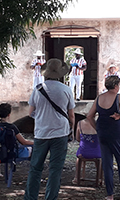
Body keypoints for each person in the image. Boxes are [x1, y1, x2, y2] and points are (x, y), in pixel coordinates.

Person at [24, 58, 75, 200]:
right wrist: (71, 128)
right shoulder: (66, 90)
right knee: (55, 170)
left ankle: (30, 197)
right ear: (61, 74)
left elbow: (30, 113)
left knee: (35, 168)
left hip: (41, 133)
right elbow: (71, 115)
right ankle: (51, 197)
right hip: (60, 133)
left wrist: (42, 117)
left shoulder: (38, 89)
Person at [86, 76, 120, 200]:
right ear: (116, 86)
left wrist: (97, 128)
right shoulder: (119, 97)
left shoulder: (99, 98)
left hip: (103, 132)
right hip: (117, 133)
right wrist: (119, 116)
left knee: (107, 164)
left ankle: (110, 194)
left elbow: (89, 115)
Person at [72, 119, 101, 184]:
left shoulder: (80, 123)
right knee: (100, 159)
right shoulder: (99, 123)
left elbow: (78, 138)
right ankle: (99, 178)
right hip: (97, 152)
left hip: (83, 151)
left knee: (78, 157)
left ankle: (76, 177)